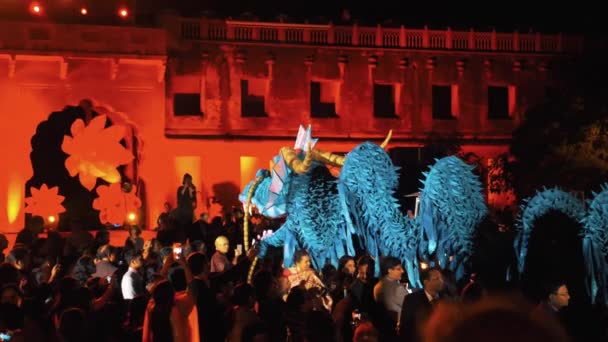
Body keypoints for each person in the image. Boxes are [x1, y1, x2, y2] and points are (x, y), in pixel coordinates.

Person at [176, 174, 197, 238]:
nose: (188, 181)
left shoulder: (192, 188)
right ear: (184, 180)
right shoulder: (180, 188)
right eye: (187, 179)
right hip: (182, 211)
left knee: (190, 228)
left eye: (190, 180)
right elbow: (179, 198)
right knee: (182, 228)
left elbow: (193, 199)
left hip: (189, 211)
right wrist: (185, 187)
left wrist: (190, 190)